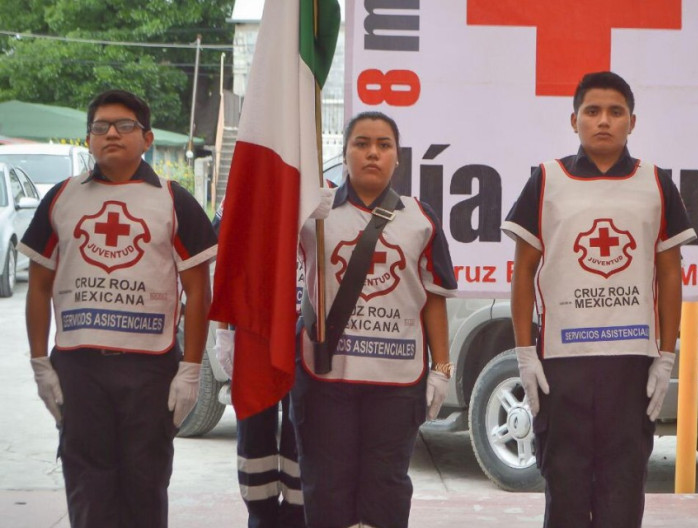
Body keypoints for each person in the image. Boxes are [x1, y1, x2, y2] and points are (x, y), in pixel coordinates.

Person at [502, 71, 697, 528]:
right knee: (565, 488)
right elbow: (524, 271)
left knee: (623, 489)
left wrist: (667, 355)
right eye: (592, 111)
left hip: (630, 363)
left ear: (633, 121)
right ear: (574, 121)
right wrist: (524, 352)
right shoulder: (547, 180)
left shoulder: (656, 182)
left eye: (615, 112)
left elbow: (670, 274)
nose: (603, 121)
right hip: (562, 364)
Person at [19, 89, 217, 528]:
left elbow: (198, 291)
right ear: (87, 140)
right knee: (88, 488)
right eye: (100, 126)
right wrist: (39, 363)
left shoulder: (173, 200)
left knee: (145, 486)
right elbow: (38, 286)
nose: (111, 133)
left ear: (147, 138)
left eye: (125, 125)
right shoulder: (61, 199)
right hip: (79, 369)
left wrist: (189, 370)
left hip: (149, 372)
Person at [291, 111, 457, 528]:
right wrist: (297, 210)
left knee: (386, 488)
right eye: (361, 143)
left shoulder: (421, 218)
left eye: (384, 145)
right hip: (326, 379)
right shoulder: (313, 213)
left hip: (396, 382)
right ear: (344, 153)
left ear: (397, 158)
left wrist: (442, 369)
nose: (372, 153)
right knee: (326, 487)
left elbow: (434, 299)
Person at [211, 204, 305, 528]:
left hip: (306, 341)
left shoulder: (327, 196)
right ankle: (261, 519)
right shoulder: (246, 193)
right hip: (254, 336)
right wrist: (224, 332)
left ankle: (296, 519)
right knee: (254, 443)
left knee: (302, 440)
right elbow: (225, 264)